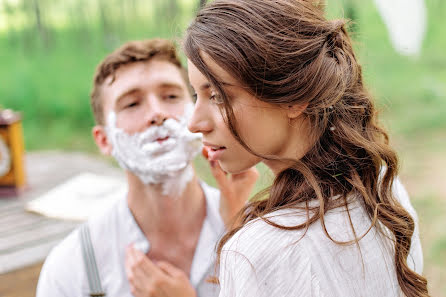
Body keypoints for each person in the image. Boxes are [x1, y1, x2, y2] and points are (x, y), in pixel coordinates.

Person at [184, 1, 429, 296]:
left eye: (218, 96)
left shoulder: (255, 253)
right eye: (195, 95)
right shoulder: (380, 186)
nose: (194, 123)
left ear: (293, 98)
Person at [36, 39, 258, 297]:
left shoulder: (251, 230)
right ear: (104, 140)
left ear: (196, 113)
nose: (157, 112)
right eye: (132, 104)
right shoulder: (73, 268)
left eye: (171, 96)